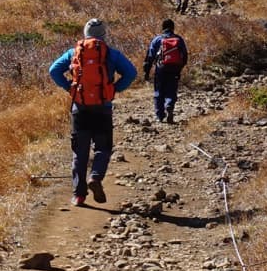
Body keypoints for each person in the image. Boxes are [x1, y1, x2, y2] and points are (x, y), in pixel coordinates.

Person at [47, 18, 137, 207]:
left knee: (80, 152)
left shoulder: (74, 53)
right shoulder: (112, 54)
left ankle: (79, 195)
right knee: (103, 148)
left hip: (79, 108)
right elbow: (131, 73)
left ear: (85, 33)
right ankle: (95, 176)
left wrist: (69, 88)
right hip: (102, 108)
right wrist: (113, 90)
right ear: (104, 35)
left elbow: (54, 70)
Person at [145, 18, 189, 124]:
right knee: (171, 90)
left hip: (161, 68)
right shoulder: (179, 39)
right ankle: (169, 105)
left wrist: (146, 72)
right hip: (174, 68)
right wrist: (179, 68)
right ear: (173, 28)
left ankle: (160, 115)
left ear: (163, 28)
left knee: (159, 92)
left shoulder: (157, 39)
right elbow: (185, 56)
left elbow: (150, 56)